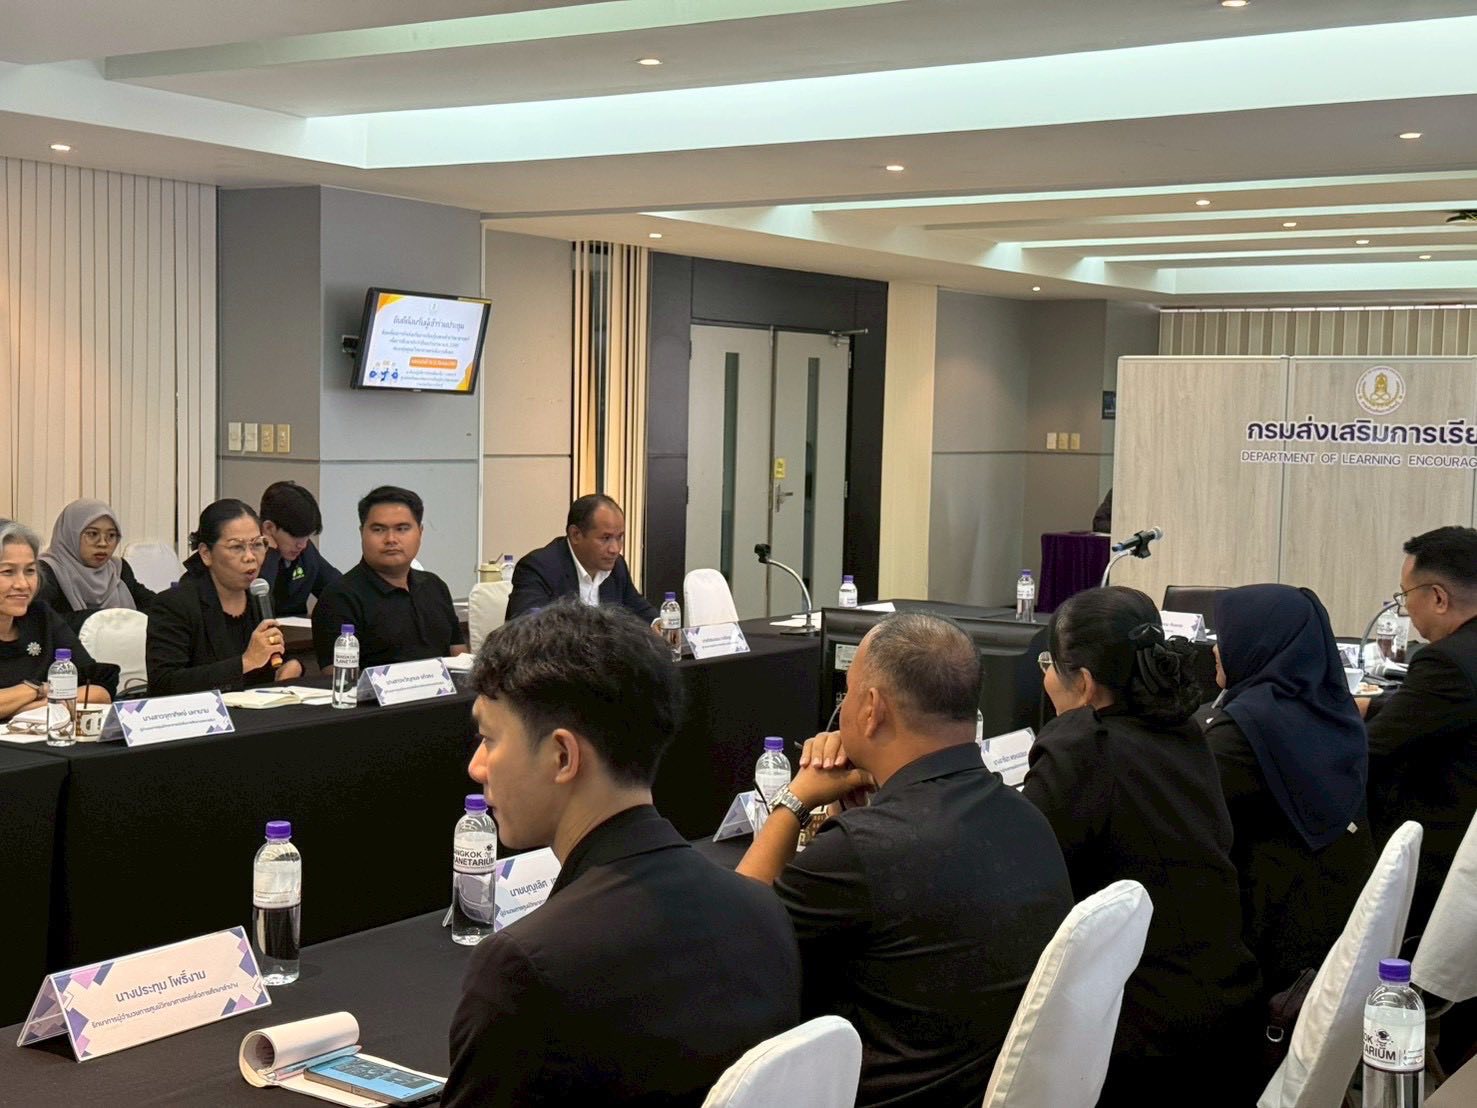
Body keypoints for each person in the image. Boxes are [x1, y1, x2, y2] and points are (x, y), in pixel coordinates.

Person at [445, 600, 800, 1107]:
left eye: (488, 739)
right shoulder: (763, 911)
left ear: (562, 756)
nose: (477, 767)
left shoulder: (525, 969)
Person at [737, 613, 1073, 1107]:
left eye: (847, 694)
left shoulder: (861, 850)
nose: (843, 709)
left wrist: (795, 799)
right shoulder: (1026, 816)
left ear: (872, 709)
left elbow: (736, 940)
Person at [1022, 586, 1260, 1105]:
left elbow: (1021, 874)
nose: (1045, 680)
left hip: (1141, 1039)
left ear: (1085, 684)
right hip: (1223, 1014)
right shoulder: (1186, 732)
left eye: (1049, 666)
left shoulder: (1083, 746)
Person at [1202, 584, 1374, 999]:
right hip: (1335, 921)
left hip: (1274, 947)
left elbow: (1187, 812)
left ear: (1258, 644)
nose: (1215, 650)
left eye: (1224, 637)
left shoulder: (1246, 731)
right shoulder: (1328, 706)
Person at [1363, 525, 1477, 931]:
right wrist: (1374, 705)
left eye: (1405, 596)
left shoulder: (1446, 660)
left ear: (1438, 598)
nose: (1405, 609)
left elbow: (1374, 749)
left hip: (1443, 845)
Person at [146, 500, 303, 695]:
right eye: (237, 547)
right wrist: (245, 662)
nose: (250, 557)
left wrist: (287, 667)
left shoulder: (260, 597)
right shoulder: (174, 605)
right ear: (206, 553)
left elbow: (266, 663)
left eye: (257, 545)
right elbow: (163, 684)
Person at [311, 486, 465, 670]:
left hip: (443, 689)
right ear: (362, 533)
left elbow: (460, 660)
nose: (391, 539)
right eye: (378, 530)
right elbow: (339, 678)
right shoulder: (339, 597)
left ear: (420, 532)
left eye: (402, 529)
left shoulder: (435, 586)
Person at [0, 520, 116, 719]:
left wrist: (25, 710)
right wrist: (35, 689)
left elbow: (98, 692)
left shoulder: (41, 617)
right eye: (8, 572)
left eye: (30, 571)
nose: (23, 584)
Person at [506, 494, 658, 623]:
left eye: (619, 537)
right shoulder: (538, 568)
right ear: (576, 535)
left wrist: (657, 623)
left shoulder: (617, 566)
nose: (615, 549)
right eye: (605, 538)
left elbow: (637, 606)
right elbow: (528, 627)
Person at [35, 499, 157, 630]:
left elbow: (157, 607)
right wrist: (108, 618)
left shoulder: (118, 569)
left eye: (111, 535)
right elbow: (41, 621)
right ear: (70, 535)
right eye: (93, 534)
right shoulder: (45, 572)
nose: (103, 543)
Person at [257, 481, 341, 617]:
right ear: (269, 528)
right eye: (296, 536)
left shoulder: (306, 551)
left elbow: (339, 591)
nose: (302, 545)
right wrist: (271, 555)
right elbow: (256, 608)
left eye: (307, 537)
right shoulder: (248, 557)